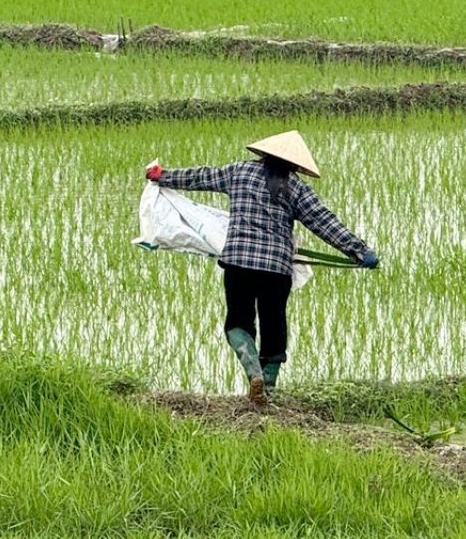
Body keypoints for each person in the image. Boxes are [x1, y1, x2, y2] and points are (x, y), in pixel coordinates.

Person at [146, 130, 378, 405]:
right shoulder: (298, 188)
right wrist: (359, 250)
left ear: (264, 154)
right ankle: (267, 388)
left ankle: (253, 372)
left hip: (238, 263)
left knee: (238, 321)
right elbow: (323, 222)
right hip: (276, 269)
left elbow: (200, 177)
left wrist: (162, 175)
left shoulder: (239, 172)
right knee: (274, 325)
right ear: (295, 164)